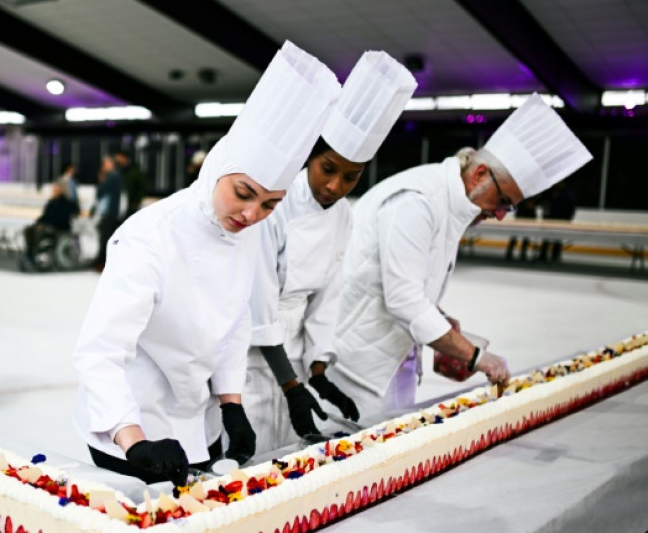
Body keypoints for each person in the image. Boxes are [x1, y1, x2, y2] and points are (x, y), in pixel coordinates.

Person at [73, 40, 340, 486]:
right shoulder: (149, 236)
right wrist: (134, 441)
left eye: (270, 204)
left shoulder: (245, 232)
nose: (251, 214)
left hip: (201, 422)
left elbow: (234, 321)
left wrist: (232, 404)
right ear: (217, 168)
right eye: (243, 193)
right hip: (133, 424)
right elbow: (100, 353)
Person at [323, 94, 593, 424]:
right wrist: (476, 356)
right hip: (355, 371)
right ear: (480, 174)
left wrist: (441, 323)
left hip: (389, 362)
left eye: (509, 207)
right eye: (503, 201)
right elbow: (403, 300)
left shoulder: (452, 205)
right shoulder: (418, 203)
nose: (500, 215)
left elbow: (406, 284)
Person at [246, 51, 417, 452]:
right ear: (311, 157)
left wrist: (318, 372)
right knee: (250, 462)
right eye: (328, 169)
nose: (335, 186)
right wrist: (291, 385)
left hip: (294, 361)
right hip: (249, 360)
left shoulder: (343, 215)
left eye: (351, 177)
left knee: (288, 461)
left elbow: (326, 298)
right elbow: (259, 307)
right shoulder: (274, 206)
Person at [23, 181, 80, 266]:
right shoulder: (51, 202)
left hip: (58, 228)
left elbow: (63, 219)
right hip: (47, 226)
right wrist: (39, 223)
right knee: (28, 229)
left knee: (38, 232)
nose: (54, 191)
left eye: (56, 189)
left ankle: (34, 253)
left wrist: (46, 225)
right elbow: (45, 216)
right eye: (54, 189)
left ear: (61, 190)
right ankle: (30, 253)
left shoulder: (67, 204)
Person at [92, 156, 122, 272]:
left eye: (105, 164)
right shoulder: (115, 176)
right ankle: (103, 262)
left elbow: (100, 191)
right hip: (111, 213)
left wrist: (102, 180)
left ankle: (102, 262)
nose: (103, 166)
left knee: (105, 238)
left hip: (109, 213)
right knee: (107, 238)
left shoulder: (112, 177)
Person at [538, 181, 577, 262]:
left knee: (558, 238)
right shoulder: (549, 192)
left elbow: (571, 208)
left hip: (561, 219)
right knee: (546, 238)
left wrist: (567, 219)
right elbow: (545, 204)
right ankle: (543, 255)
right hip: (549, 219)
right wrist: (545, 217)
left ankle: (555, 255)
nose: (558, 184)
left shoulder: (567, 194)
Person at [114, 149, 145, 218]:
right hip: (119, 204)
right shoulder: (118, 170)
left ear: (125, 158)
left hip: (131, 205)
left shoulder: (135, 171)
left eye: (119, 157)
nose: (117, 160)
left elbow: (141, 187)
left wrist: (136, 201)